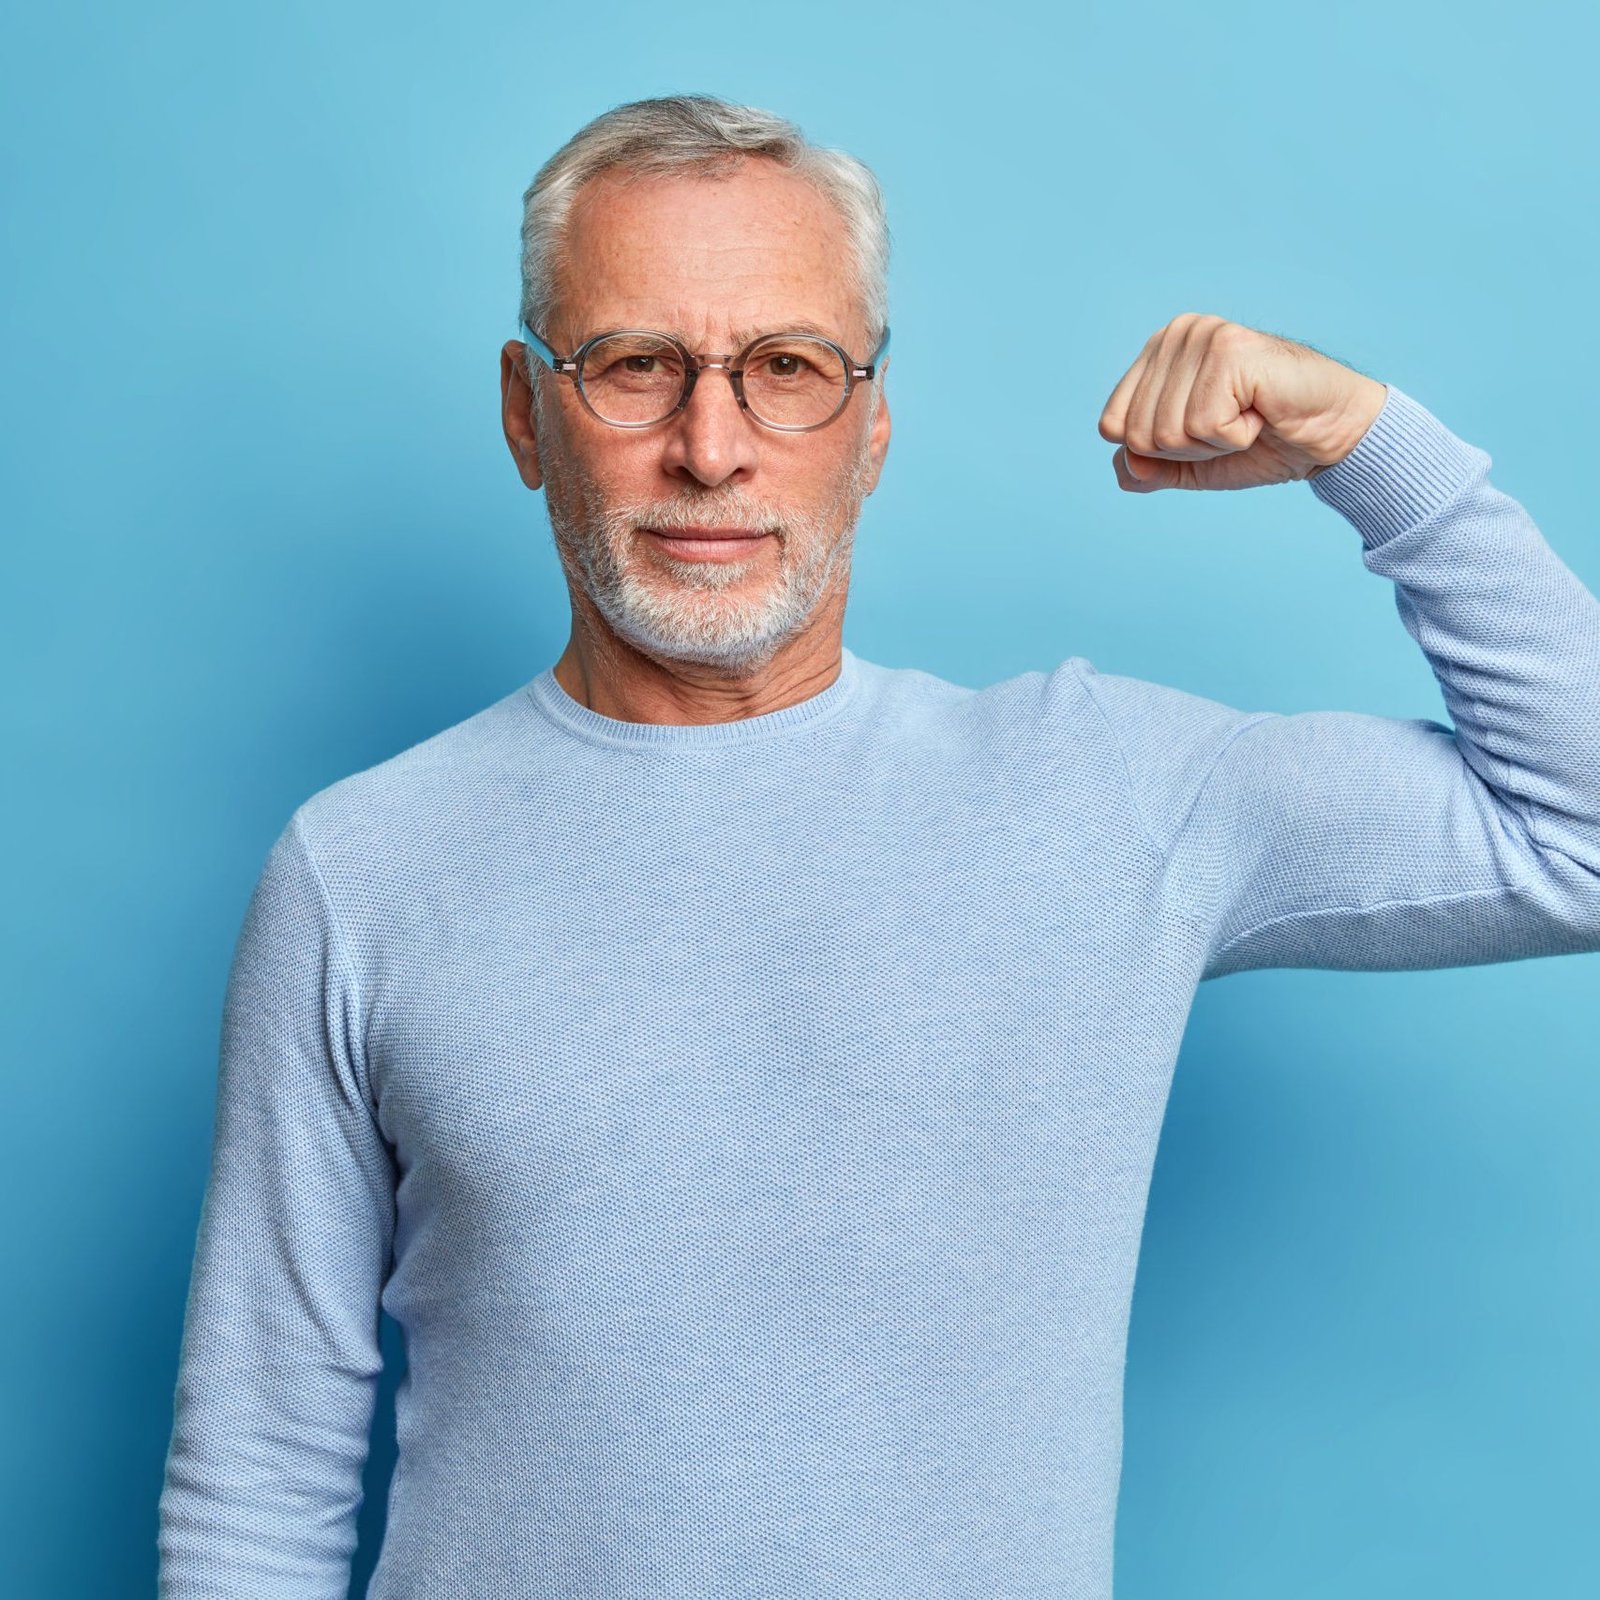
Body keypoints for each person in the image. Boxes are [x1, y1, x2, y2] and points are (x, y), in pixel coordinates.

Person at [156, 93, 1600, 1600]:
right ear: (528, 415)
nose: (710, 449)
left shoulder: (1103, 795)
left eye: (787, 369)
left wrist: (1374, 447)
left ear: (873, 426)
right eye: (636, 367)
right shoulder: (362, 867)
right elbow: (261, 1463)